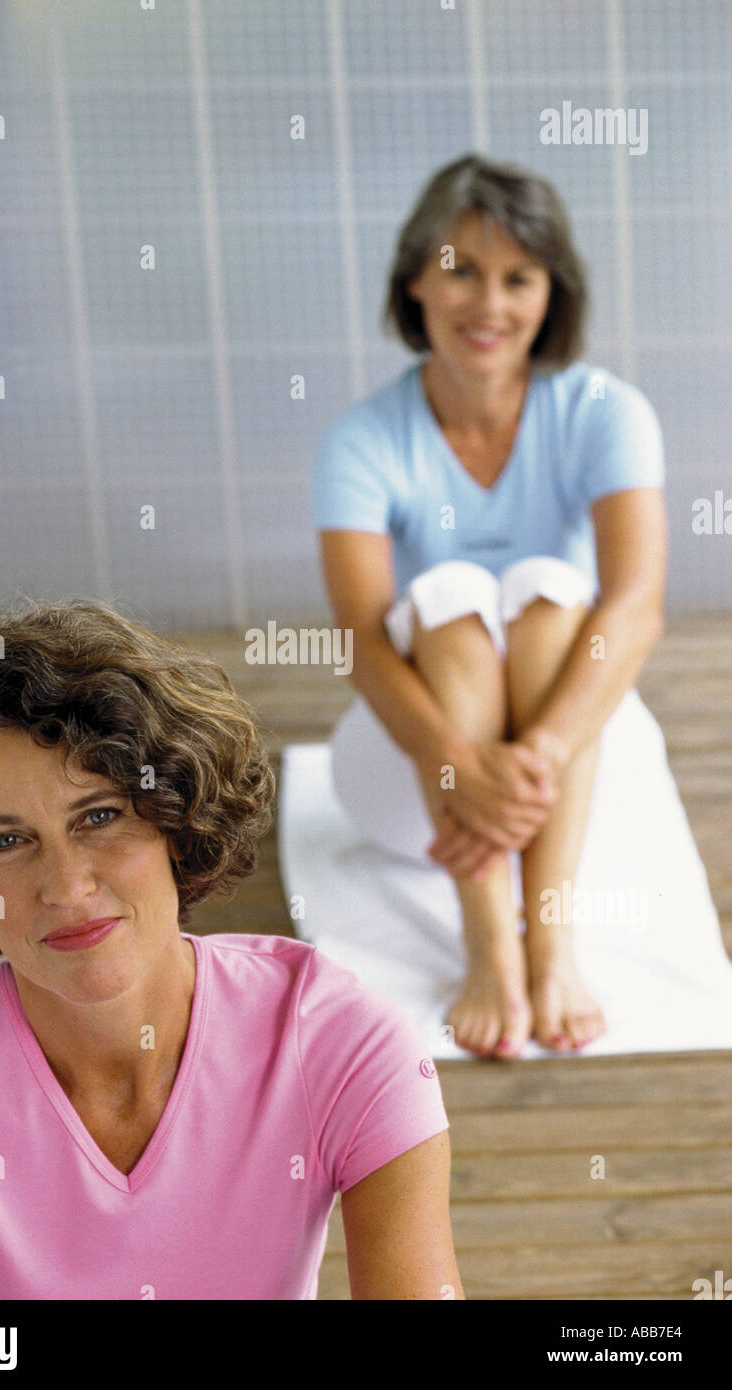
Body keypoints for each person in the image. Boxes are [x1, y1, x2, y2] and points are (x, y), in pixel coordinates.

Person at [0, 599, 462, 1300]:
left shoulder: (339, 1038)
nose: (66, 885)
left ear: (175, 823)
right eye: (5, 841)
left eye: (99, 817)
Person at [313, 153, 667, 1061]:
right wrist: (452, 768)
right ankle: (489, 946)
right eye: (459, 269)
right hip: (409, 778)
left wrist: (532, 759)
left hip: (566, 771)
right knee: (455, 593)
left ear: (554, 295)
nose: (489, 304)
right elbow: (358, 638)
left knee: (555, 596)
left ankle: (548, 943)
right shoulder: (363, 438)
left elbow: (635, 605)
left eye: (519, 277)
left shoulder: (604, 411)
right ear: (414, 282)